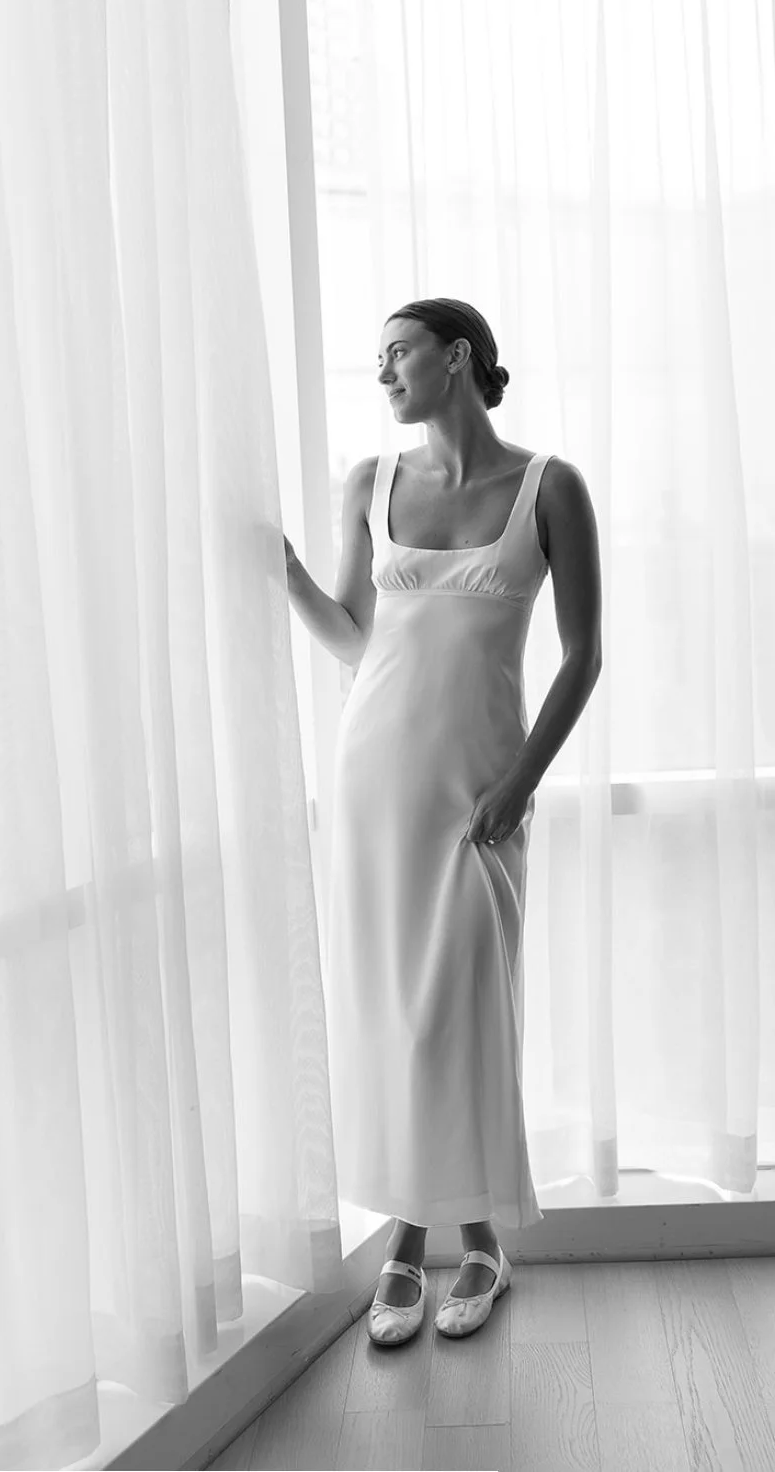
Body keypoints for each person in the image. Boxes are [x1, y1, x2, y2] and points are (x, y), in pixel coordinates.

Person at [283, 296, 603, 1347]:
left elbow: (583, 657)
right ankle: (410, 1248)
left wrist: (519, 782)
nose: (383, 374)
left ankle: (482, 1243)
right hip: (374, 782)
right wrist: (277, 566)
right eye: (377, 359)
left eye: (398, 353)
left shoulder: (551, 489)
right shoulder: (370, 484)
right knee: (388, 1012)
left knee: (459, 1010)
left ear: (455, 356)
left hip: (479, 790)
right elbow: (350, 634)